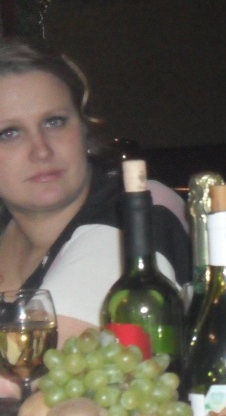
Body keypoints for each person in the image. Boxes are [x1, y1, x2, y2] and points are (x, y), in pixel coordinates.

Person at [0, 38, 191, 341]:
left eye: (54, 122)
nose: (41, 150)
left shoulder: (136, 212)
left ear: (85, 129)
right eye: (9, 133)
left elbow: (47, 356)